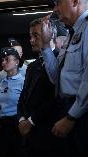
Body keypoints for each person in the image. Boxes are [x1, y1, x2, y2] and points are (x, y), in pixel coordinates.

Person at [41, 0, 88, 156]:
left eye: (58, 2)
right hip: (71, 109)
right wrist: (45, 45)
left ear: (74, 0)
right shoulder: (72, 34)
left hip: (84, 114)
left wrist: (71, 117)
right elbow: (56, 78)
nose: (55, 9)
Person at [18, 18, 67, 157]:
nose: (31, 40)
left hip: (50, 136)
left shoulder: (61, 61)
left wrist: (31, 121)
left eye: (36, 35)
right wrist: (21, 119)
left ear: (49, 35)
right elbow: (23, 97)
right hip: (29, 137)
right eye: (30, 36)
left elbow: (56, 98)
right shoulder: (32, 66)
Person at [0, 47, 24, 157]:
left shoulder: (23, 82)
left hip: (17, 125)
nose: (3, 62)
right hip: (2, 126)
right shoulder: (2, 83)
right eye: (2, 60)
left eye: (7, 59)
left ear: (16, 62)